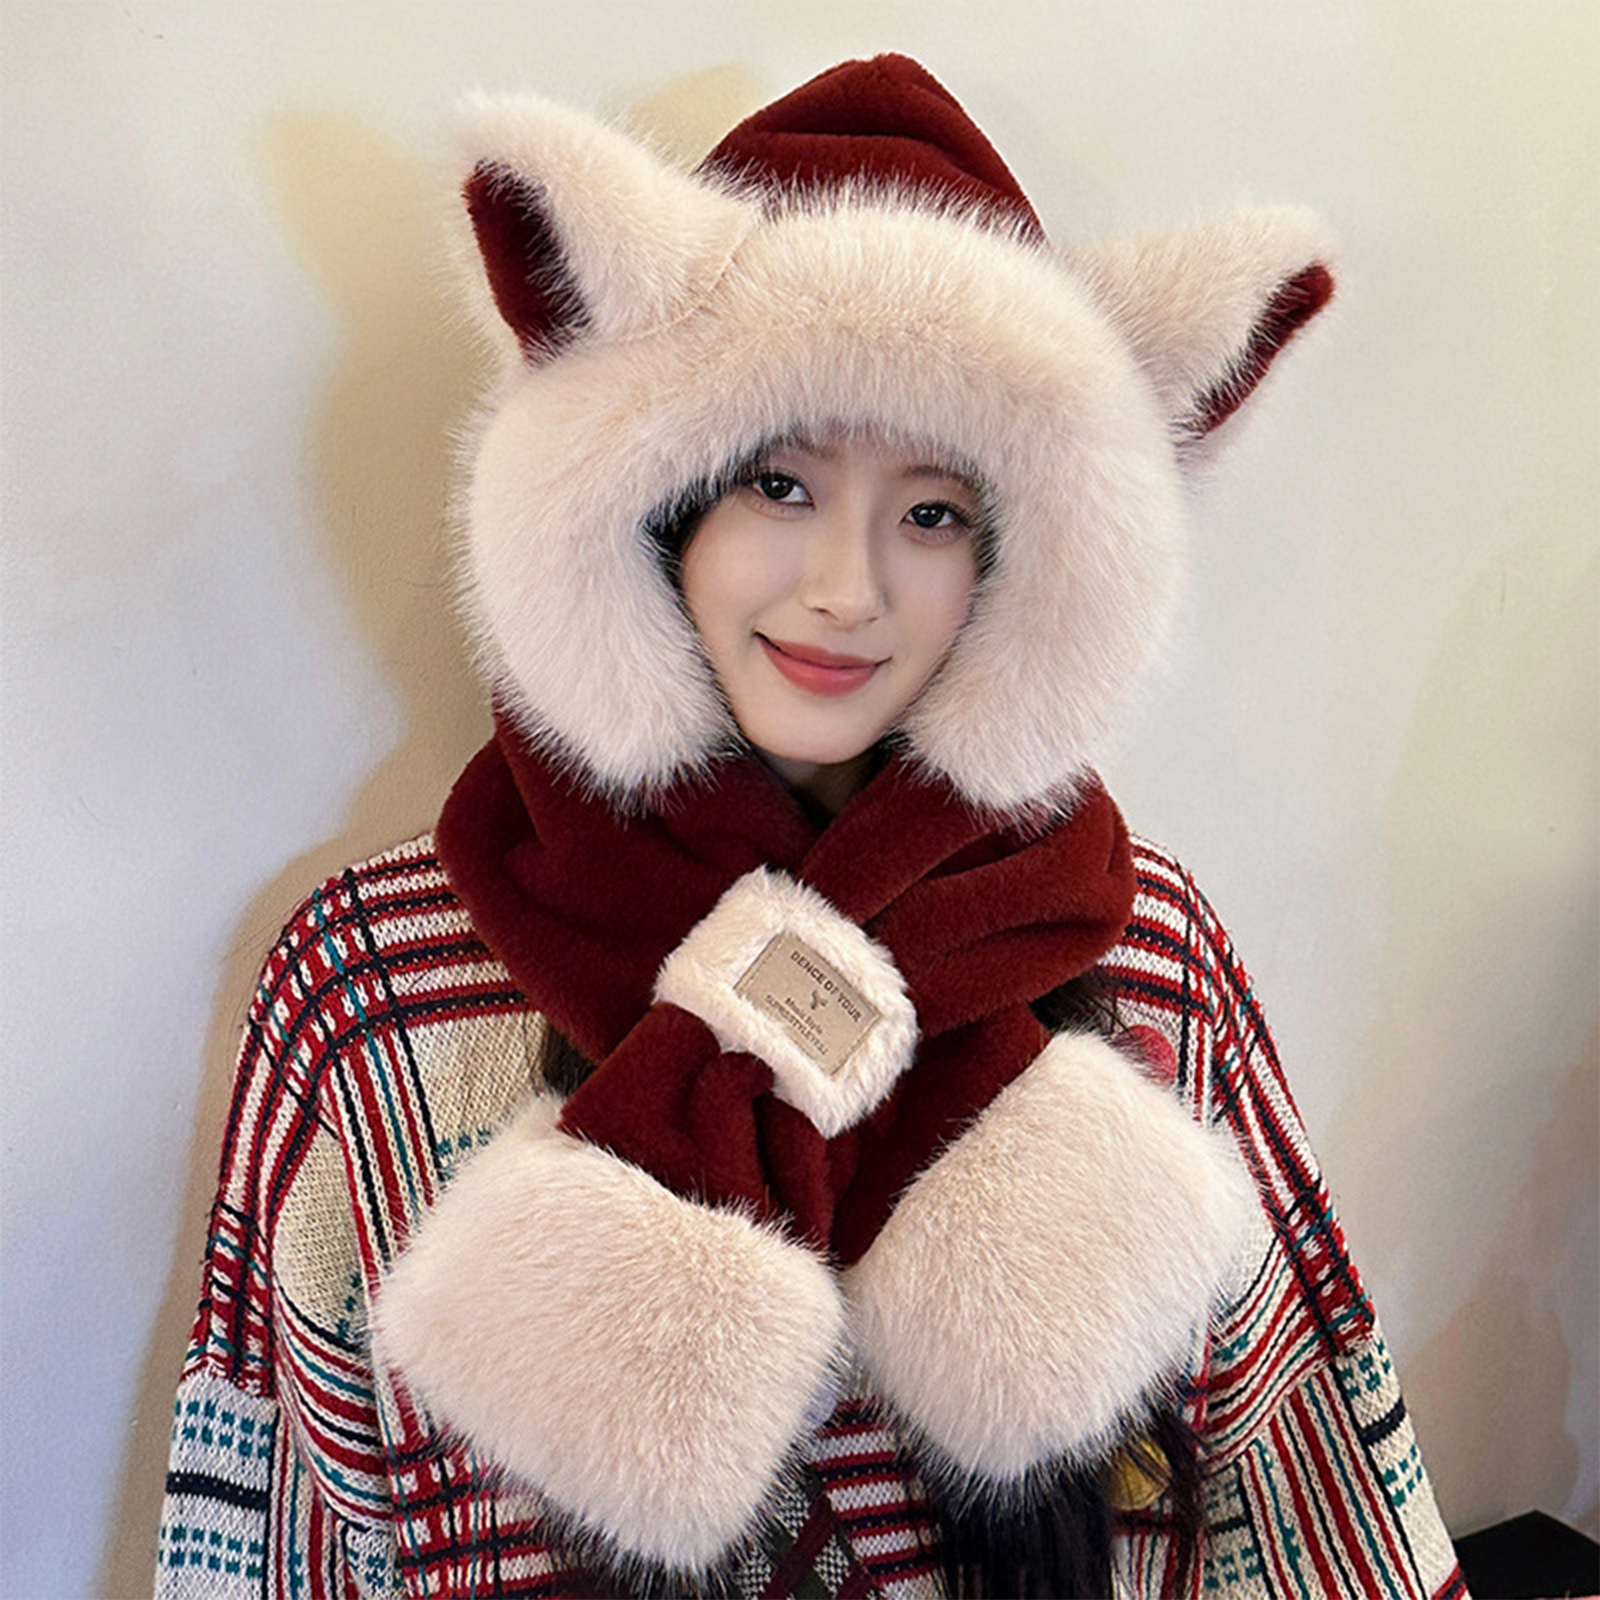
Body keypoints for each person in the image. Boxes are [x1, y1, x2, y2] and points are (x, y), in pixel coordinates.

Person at [156, 55, 1465, 1600]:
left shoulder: (1151, 951)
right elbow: (271, 1532)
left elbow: (1313, 1511)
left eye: (934, 512)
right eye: (779, 483)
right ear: (658, 507)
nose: (848, 588)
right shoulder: (369, 990)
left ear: (1020, 565)